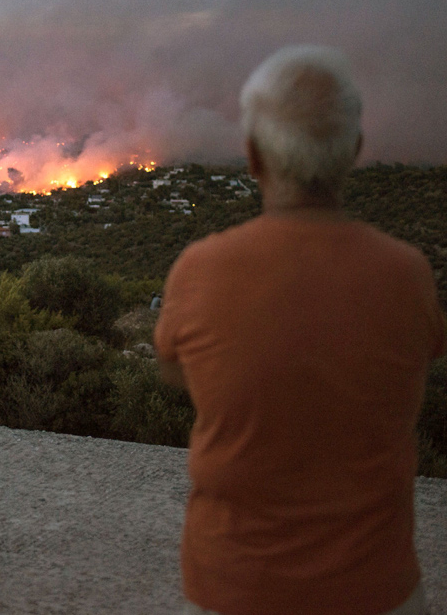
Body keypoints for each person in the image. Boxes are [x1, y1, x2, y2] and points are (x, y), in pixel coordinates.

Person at [154, 45, 444, 615]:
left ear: (254, 158)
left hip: (233, 587)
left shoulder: (201, 270)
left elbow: (174, 374)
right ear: (355, 152)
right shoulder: (407, 273)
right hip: (375, 589)